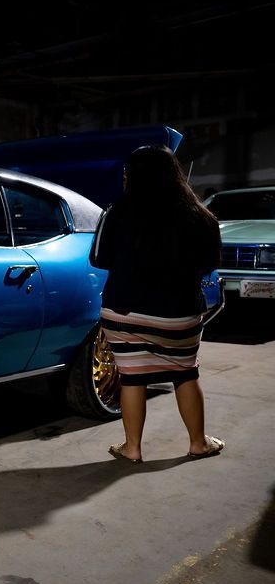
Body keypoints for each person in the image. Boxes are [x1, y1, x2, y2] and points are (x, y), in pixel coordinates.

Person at [89, 145, 224, 463]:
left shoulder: (116, 212)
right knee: (184, 374)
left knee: (132, 377)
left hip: (124, 312)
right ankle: (198, 443)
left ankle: (132, 449)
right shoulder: (201, 217)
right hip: (178, 315)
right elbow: (208, 264)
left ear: (132, 177)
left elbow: (98, 258)